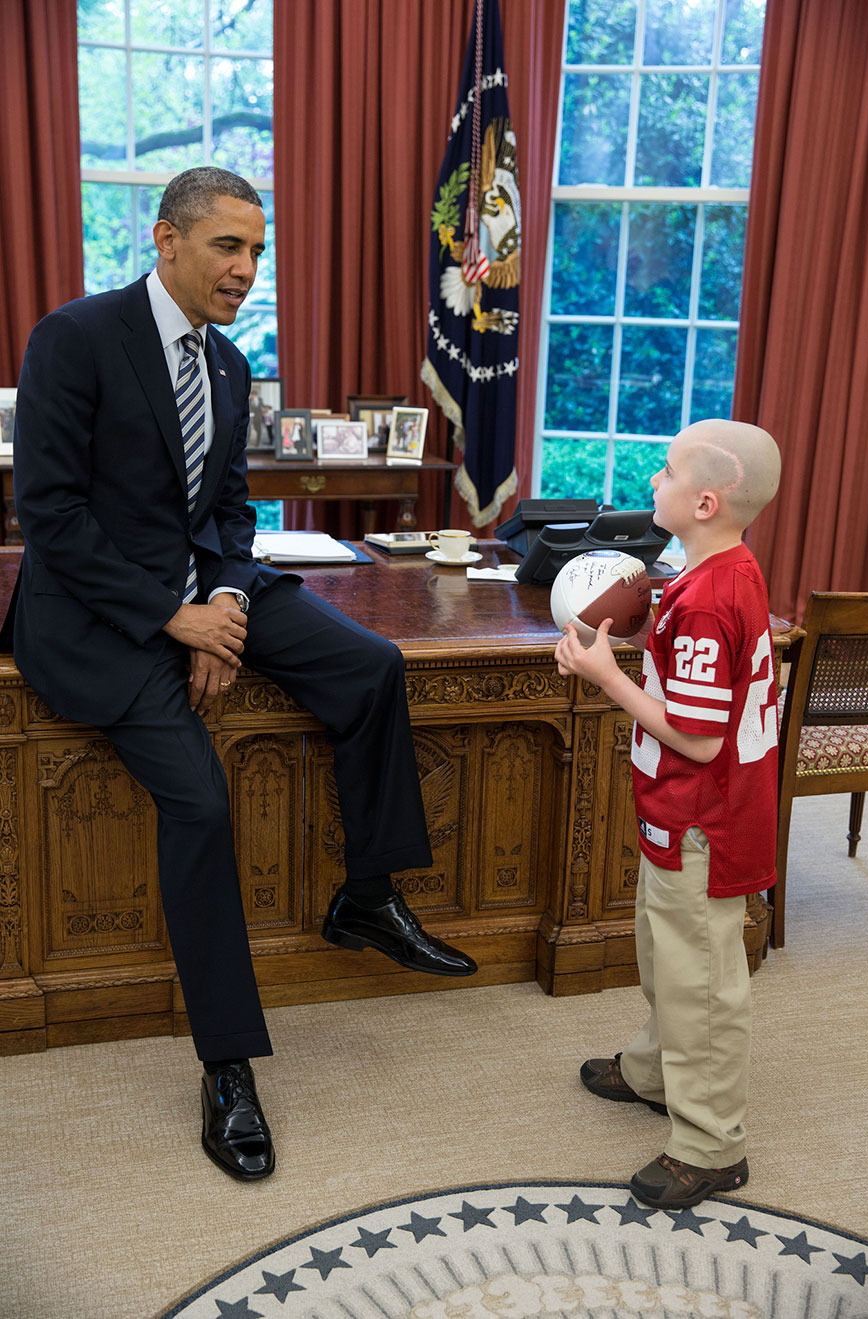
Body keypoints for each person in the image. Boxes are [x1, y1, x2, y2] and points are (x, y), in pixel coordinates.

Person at [4, 166, 476, 1183]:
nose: (246, 270)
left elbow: (227, 511)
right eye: (228, 246)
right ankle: (228, 1067)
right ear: (168, 240)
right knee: (203, 804)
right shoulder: (73, 338)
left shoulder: (226, 363)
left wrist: (222, 603)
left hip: (199, 592)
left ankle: (368, 892)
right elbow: (48, 514)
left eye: (257, 251)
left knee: (369, 665)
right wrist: (173, 618)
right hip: (96, 617)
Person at [556, 418, 781, 1211]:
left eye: (667, 470)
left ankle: (713, 1144)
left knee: (703, 982)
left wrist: (602, 673)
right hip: (681, 816)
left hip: (703, 824)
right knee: (664, 956)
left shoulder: (714, 595)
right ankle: (656, 1071)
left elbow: (693, 729)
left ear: (707, 499)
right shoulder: (716, 571)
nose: (654, 480)